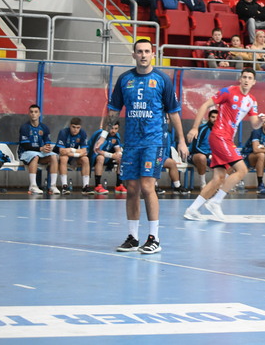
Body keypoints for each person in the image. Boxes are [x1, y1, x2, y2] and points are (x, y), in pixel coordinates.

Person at [96, 39, 189, 254]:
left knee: (147, 187)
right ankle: (132, 237)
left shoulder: (162, 79)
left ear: (153, 54)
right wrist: (103, 134)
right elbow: (114, 110)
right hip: (131, 142)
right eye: (139, 51)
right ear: (134, 55)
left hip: (153, 141)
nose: (143, 55)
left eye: (147, 51)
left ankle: (154, 238)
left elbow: (174, 112)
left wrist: (181, 140)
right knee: (131, 189)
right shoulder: (125, 79)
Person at [183, 69, 265, 219]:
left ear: (254, 82)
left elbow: (255, 124)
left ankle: (192, 209)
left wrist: (260, 121)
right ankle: (216, 201)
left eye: (250, 78)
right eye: (244, 77)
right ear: (240, 79)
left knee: (219, 178)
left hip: (227, 139)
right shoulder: (228, 91)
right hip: (219, 136)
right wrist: (194, 127)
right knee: (242, 170)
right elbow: (205, 105)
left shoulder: (252, 101)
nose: (246, 80)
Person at [18, 104, 57, 195]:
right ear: (29, 114)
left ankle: (53, 186)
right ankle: (33, 186)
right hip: (25, 153)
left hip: (40, 153)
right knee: (34, 156)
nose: (33, 114)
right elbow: (26, 146)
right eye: (31, 112)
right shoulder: (25, 127)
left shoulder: (44, 128)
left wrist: (47, 148)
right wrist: (41, 148)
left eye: (36, 112)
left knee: (54, 156)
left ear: (39, 114)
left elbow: (47, 142)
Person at [54, 117, 91, 195]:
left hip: (73, 157)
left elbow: (84, 151)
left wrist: (71, 150)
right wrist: (79, 153)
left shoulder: (82, 133)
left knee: (85, 159)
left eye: (78, 128)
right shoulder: (63, 132)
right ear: (70, 126)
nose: (75, 129)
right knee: (64, 158)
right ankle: (64, 186)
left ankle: (85, 187)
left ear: (80, 127)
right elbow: (62, 151)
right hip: (60, 157)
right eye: (73, 127)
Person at [88, 122, 122, 195]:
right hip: (92, 156)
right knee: (101, 158)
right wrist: (112, 155)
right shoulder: (101, 135)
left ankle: (119, 185)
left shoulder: (116, 136)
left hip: (107, 156)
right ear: (107, 128)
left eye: (116, 129)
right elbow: (97, 150)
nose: (113, 131)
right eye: (112, 128)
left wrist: (119, 154)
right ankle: (97, 186)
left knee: (121, 158)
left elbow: (117, 148)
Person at [187, 109, 217, 190]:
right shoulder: (202, 129)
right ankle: (203, 185)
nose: (215, 119)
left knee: (229, 160)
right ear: (209, 118)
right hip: (194, 154)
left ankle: (219, 186)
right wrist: (208, 155)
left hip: (210, 156)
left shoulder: (220, 130)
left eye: (217, 117)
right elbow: (195, 147)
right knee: (201, 157)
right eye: (213, 117)